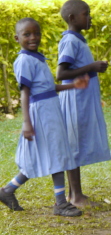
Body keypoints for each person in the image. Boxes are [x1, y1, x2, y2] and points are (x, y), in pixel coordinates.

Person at [0, 18, 88, 217]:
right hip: (41, 114)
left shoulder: (37, 58)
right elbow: (25, 93)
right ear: (16, 38)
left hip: (50, 111)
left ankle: (7, 190)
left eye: (36, 33)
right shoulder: (24, 61)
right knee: (56, 155)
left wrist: (73, 85)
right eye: (27, 34)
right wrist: (26, 123)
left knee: (47, 156)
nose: (33, 38)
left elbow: (49, 88)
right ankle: (60, 203)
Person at [56, 0, 111, 206]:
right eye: (85, 14)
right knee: (74, 145)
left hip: (83, 101)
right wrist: (92, 67)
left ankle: (75, 194)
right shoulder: (70, 41)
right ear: (72, 18)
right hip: (75, 101)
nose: (90, 17)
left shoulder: (78, 40)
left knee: (77, 143)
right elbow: (61, 73)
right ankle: (76, 195)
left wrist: (93, 67)